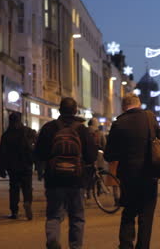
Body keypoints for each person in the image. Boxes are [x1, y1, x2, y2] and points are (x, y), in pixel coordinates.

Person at [35, 97, 97, 249]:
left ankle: (53, 239)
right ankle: (75, 246)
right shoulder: (82, 130)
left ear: (59, 110)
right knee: (77, 217)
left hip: (54, 179)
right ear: (75, 111)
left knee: (54, 215)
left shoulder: (49, 128)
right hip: (76, 180)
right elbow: (91, 156)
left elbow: (39, 154)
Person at [104, 93, 160, 249]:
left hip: (128, 176)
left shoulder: (119, 124)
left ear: (124, 106)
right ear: (139, 104)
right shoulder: (150, 119)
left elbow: (109, 155)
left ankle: (126, 245)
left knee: (129, 212)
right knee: (146, 216)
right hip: (149, 174)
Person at [0, 112, 36, 220]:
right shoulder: (28, 131)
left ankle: (14, 211)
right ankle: (27, 202)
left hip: (12, 166)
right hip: (26, 165)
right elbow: (35, 147)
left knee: (14, 188)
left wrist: (2, 168)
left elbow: (2, 153)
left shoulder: (7, 135)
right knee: (27, 187)